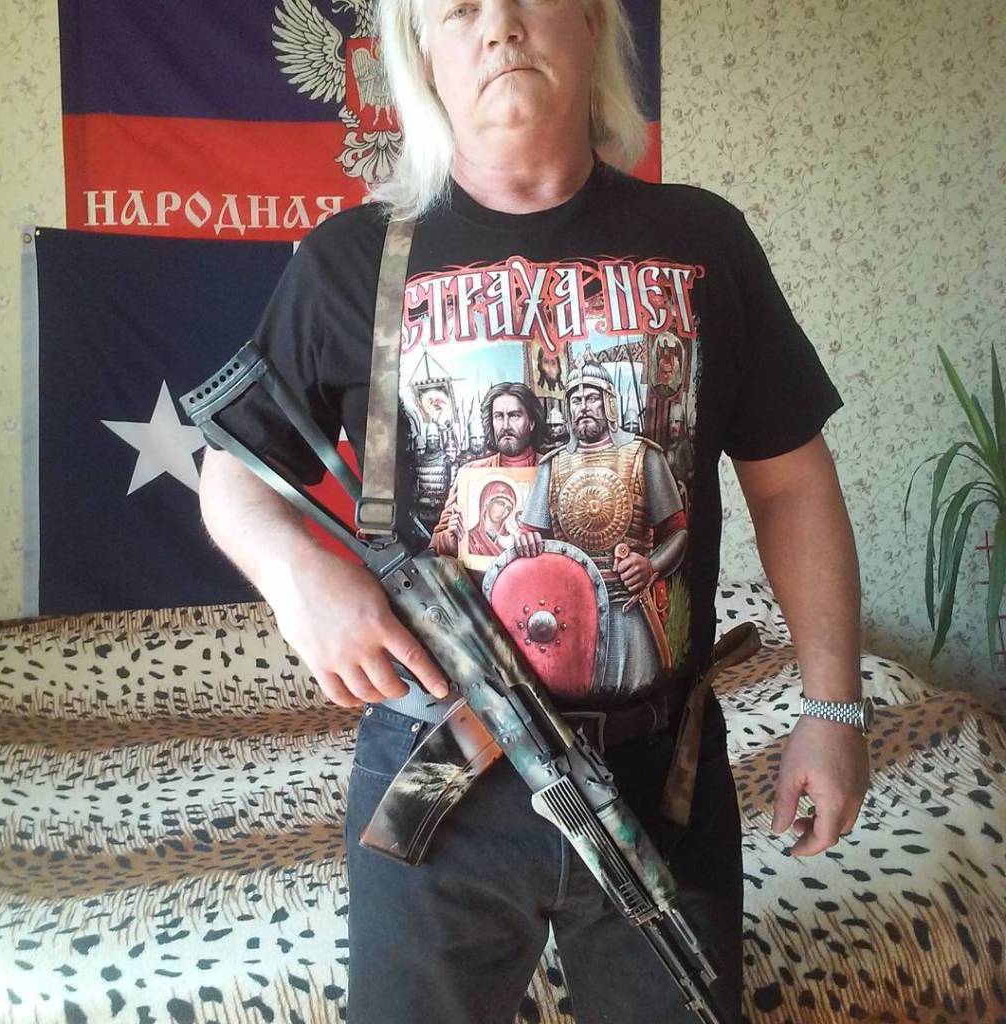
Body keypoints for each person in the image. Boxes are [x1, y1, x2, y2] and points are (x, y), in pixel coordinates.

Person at [198, 2, 870, 1022]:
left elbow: (790, 481)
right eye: (459, 8)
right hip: (438, 774)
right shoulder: (350, 261)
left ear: (594, 20)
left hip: (660, 779)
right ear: (422, 54)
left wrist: (830, 709)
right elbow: (233, 471)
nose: (499, 27)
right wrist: (300, 580)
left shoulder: (702, 239)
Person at [516, 363, 688, 692]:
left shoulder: (643, 456)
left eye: (592, 398)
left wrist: (650, 566)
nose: (583, 407)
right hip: (568, 607)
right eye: (576, 401)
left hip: (627, 602)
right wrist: (527, 543)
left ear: (609, 402)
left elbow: (678, 531)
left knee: (636, 691)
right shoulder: (552, 466)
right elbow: (531, 533)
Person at [429, 380, 545, 556]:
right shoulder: (471, 473)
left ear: (531, 423)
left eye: (514, 415)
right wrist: (451, 538)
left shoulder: (549, 470)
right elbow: (436, 544)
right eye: (499, 416)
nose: (506, 426)